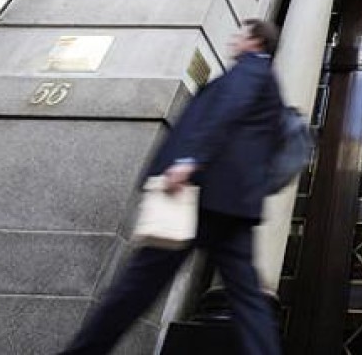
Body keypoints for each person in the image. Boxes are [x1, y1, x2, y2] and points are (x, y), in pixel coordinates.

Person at [59, 19, 285, 355]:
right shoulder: (268, 84)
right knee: (249, 301)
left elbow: (225, 112)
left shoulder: (250, 71)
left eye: (240, 34)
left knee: (136, 287)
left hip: (202, 197)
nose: (233, 39)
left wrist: (192, 159)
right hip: (233, 206)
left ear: (255, 41)